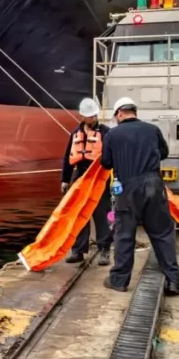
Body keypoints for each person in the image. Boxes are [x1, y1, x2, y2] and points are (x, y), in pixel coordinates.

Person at [99, 97, 179, 295]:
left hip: (127, 188)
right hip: (153, 185)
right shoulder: (152, 130)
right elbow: (163, 153)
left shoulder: (113, 134)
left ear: (119, 114)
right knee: (162, 234)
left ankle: (119, 280)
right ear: (134, 111)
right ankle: (173, 282)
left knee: (125, 234)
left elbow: (106, 163)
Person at [61, 97, 113, 266]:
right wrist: (65, 180)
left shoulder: (106, 132)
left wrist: (116, 179)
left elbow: (113, 156)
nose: (93, 118)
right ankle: (78, 250)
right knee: (79, 214)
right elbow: (67, 157)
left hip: (99, 177)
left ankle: (104, 249)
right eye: (90, 116)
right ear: (82, 116)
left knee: (102, 215)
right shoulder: (75, 133)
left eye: (94, 115)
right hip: (80, 177)